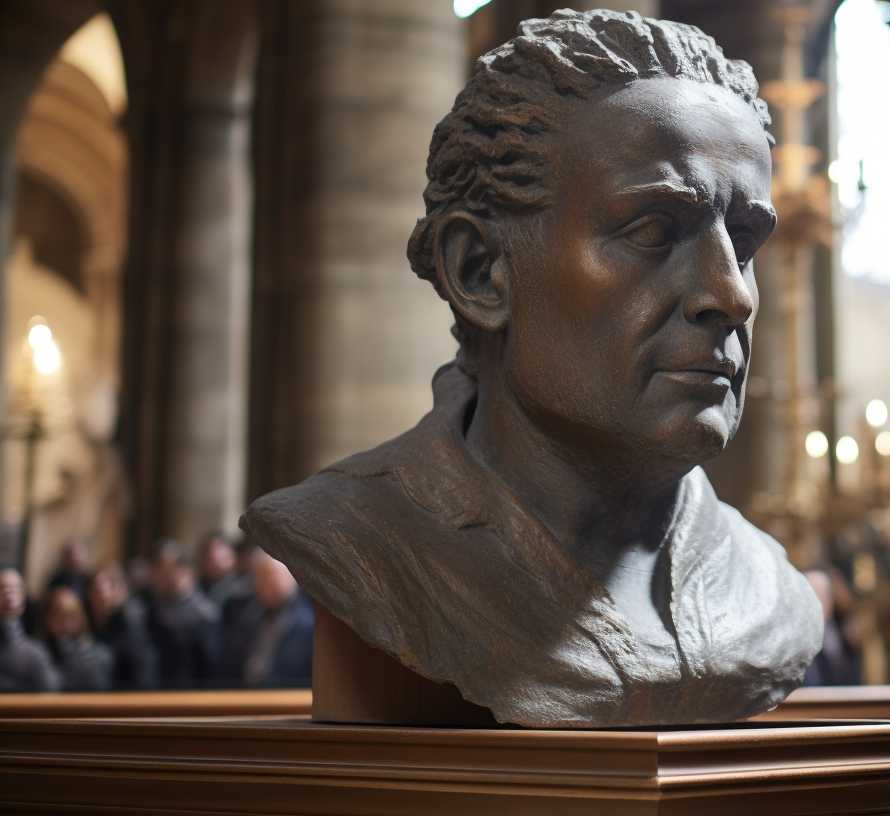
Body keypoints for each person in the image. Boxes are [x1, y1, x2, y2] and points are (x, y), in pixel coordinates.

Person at [241, 9, 821, 728]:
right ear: (481, 271)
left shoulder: (768, 593)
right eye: (652, 231)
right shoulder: (357, 536)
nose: (730, 294)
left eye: (743, 243)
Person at [220, 550, 312, 688]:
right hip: (245, 697)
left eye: (271, 577)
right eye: (260, 578)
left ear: (291, 578)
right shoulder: (247, 616)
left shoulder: (308, 622)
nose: (265, 585)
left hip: (290, 699)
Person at [147, 541, 221, 688]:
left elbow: (208, 670)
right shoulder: (153, 609)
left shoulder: (204, 615)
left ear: (183, 571)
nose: (160, 577)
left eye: (166, 570)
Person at [86, 565, 159, 690]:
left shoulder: (130, 623)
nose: (97, 596)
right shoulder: (85, 619)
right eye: (93, 590)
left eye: (100, 590)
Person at [41, 585, 113, 692]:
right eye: (58, 615)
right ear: (47, 619)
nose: (65, 622)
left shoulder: (99, 655)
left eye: (71, 615)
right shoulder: (39, 653)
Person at [0, 567, 60, 692]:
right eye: (2, 588)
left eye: (15, 589)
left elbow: (50, 689)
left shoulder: (36, 651)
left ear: (23, 597)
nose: (8, 593)